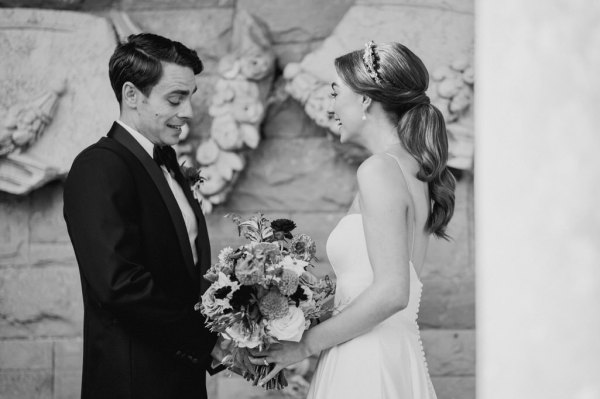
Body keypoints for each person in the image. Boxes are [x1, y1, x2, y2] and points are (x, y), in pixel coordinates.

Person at [249, 41, 456, 398]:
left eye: (335, 93)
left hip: (367, 360)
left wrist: (305, 345)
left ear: (364, 100)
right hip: (385, 350)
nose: (331, 107)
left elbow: (392, 292)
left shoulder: (379, 170)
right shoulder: (410, 170)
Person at [63, 33, 224, 399]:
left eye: (189, 98)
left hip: (181, 377)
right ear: (132, 95)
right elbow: (119, 283)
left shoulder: (165, 163)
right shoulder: (98, 166)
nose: (188, 112)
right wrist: (204, 339)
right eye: (175, 98)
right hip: (134, 380)